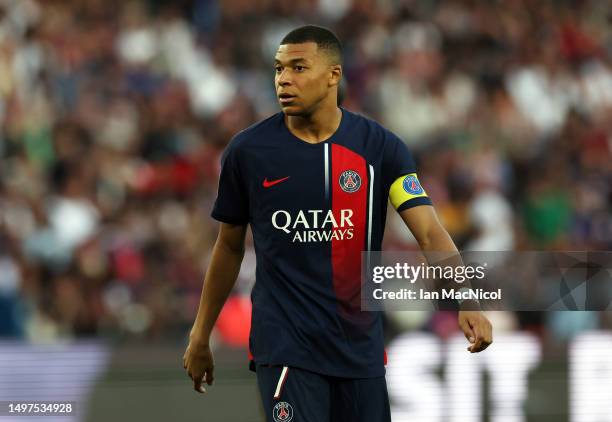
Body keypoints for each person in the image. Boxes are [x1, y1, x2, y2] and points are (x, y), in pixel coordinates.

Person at [183, 24, 492, 421]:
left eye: (298, 68)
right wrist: (200, 332)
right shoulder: (248, 152)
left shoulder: (381, 149)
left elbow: (429, 230)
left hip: (358, 351)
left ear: (333, 75)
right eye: (279, 69)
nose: (283, 80)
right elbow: (228, 245)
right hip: (285, 348)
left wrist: (467, 297)